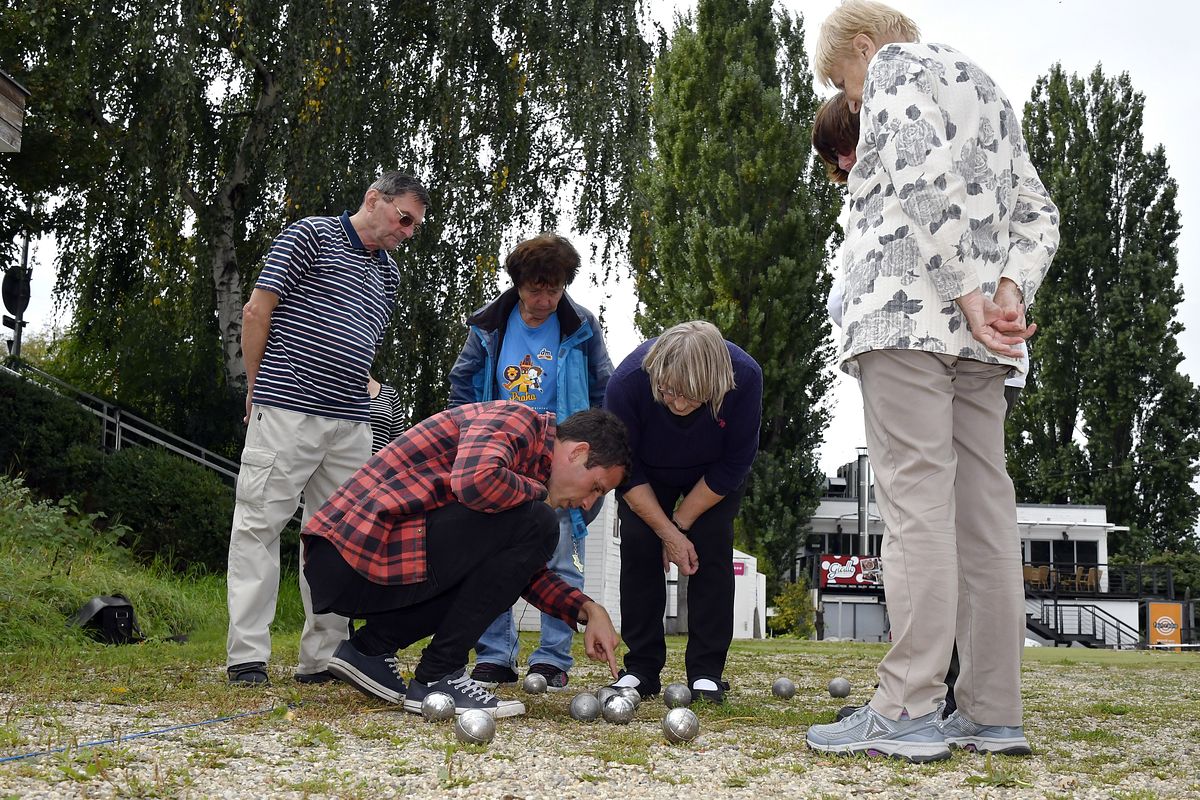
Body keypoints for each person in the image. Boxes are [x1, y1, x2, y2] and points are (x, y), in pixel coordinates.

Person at [805, 1, 1058, 762]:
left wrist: (964, 291)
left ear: (861, 45)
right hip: (983, 343)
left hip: (905, 320)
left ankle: (908, 707)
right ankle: (990, 711)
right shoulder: (987, 88)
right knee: (984, 518)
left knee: (916, 507)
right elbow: (1038, 212)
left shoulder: (893, 67)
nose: (852, 98)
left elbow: (917, 169)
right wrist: (1008, 293)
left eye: (842, 82)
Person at [225, 172, 429, 686]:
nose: (407, 232)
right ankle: (247, 656)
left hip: (350, 426)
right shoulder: (308, 236)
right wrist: (255, 387)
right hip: (286, 411)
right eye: (403, 218)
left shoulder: (389, 276)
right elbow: (256, 311)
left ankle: (324, 657)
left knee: (339, 539)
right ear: (373, 199)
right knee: (258, 527)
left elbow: (361, 344)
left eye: (415, 227)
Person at [302, 403, 628, 718]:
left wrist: (588, 609)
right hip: (356, 548)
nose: (587, 504)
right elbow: (474, 480)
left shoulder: (525, 479)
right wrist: (540, 494)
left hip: (364, 558)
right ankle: (439, 674)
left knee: (529, 533)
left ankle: (369, 650)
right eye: (596, 488)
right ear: (578, 452)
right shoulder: (519, 420)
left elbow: (514, 573)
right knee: (540, 523)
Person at [448, 233, 614, 692]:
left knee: (560, 560)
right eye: (536, 289)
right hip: (501, 459)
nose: (544, 299)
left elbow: (605, 393)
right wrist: (467, 440)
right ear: (518, 285)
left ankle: (553, 659)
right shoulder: (489, 327)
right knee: (491, 554)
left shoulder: (581, 328)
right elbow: (462, 385)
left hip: (559, 464)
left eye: (554, 289)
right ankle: (495, 656)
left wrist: (592, 458)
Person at [603, 320, 762, 704]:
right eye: (669, 392)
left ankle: (706, 672)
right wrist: (665, 533)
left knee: (711, 546)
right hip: (645, 472)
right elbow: (624, 469)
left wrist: (679, 527)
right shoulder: (626, 382)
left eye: (691, 397)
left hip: (712, 476)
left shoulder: (745, 376)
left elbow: (735, 463)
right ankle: (641, 668)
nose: (677, 404)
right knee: (640, 543)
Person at [368, 374, 404, 455]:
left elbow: (398, 444)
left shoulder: (390, 394)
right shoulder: (340, 390)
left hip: (379, 466)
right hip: (346, 464)